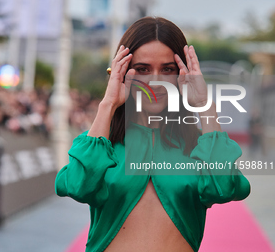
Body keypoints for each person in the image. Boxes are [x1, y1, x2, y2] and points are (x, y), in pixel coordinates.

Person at [55, 17, 251, 252]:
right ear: (123, 72)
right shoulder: (103, 143)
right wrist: (108, 104)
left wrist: (204, 105)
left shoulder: (199, 145)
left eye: (167, 69)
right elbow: (78, 185)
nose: (155, 82)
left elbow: (224, 187)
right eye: (142, 69)